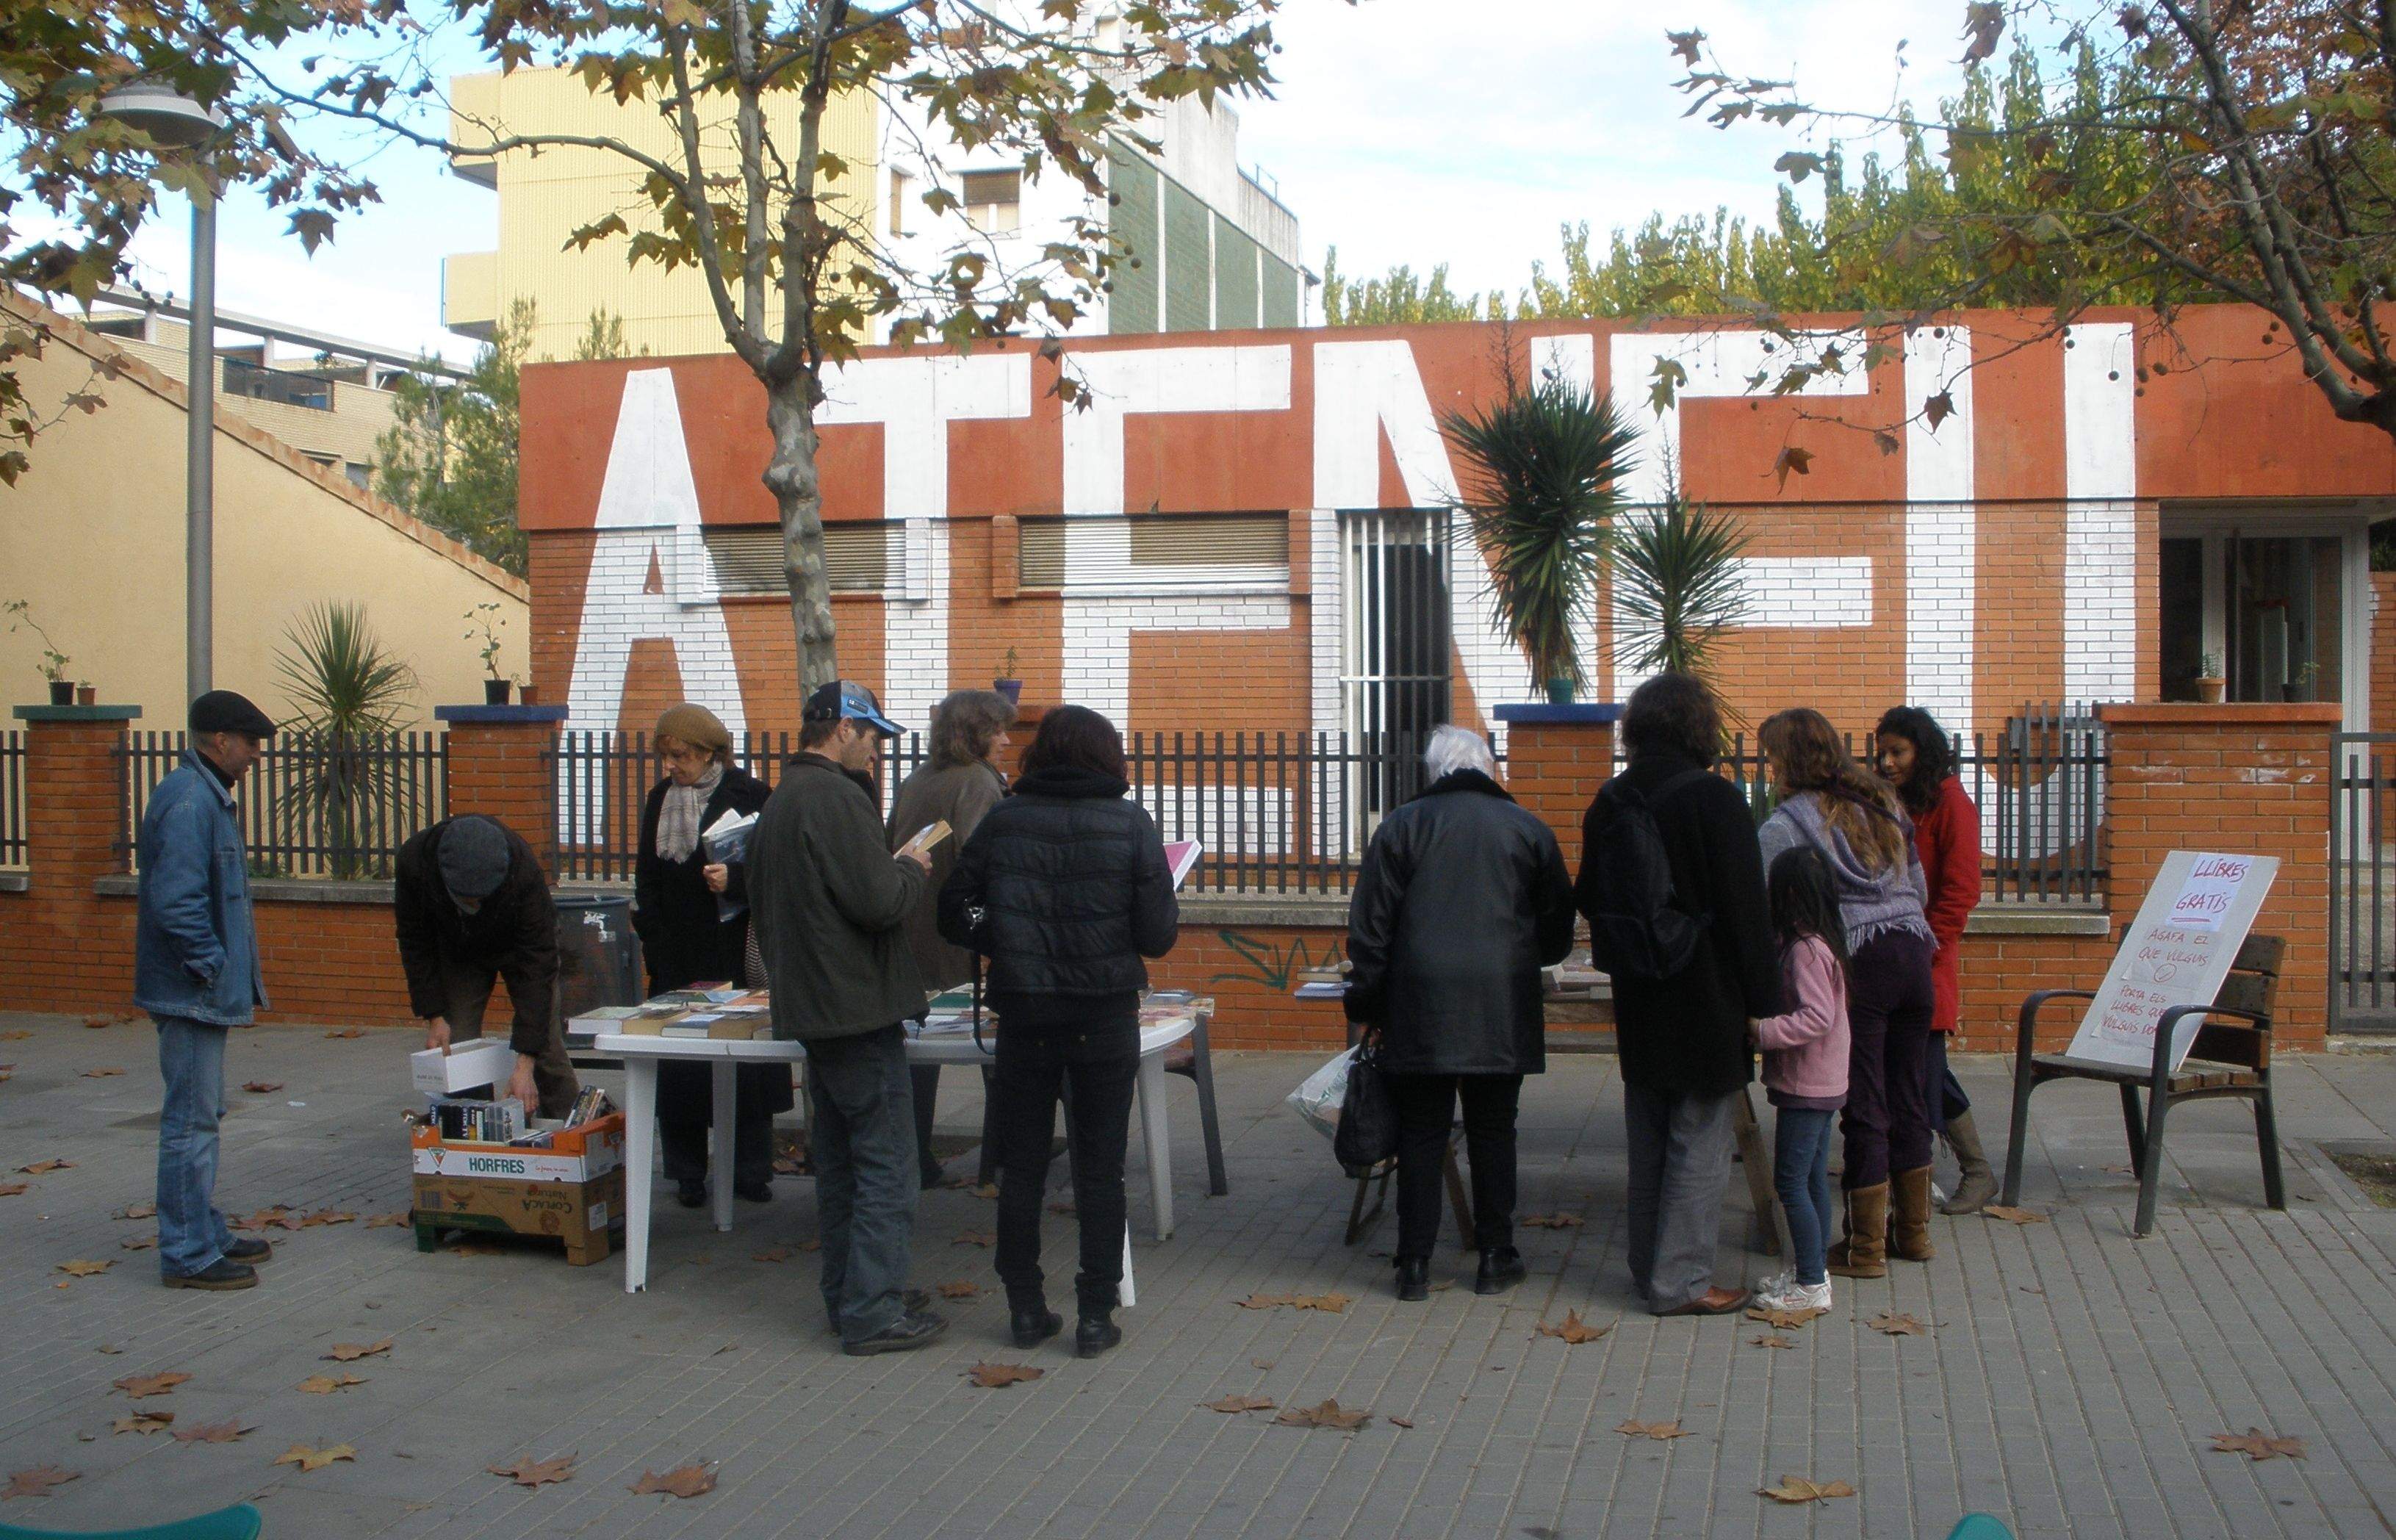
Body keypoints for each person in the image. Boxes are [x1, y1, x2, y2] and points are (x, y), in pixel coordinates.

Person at [939, 705, 1178, 1358]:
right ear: (1107, 756)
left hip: (1024, 1011)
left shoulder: (1006, 817)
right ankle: (1096, 1314)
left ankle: (1024, 1307)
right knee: (1100, 1169)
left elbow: (954, 909)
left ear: (1040, 752)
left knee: (1021, 1168)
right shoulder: (1129, 823)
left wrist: (1003, 933)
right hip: (1102, 1013)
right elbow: (1157, 936)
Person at [1345, 725, 1574, 1303]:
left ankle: (1414, 1265)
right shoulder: (1527, 828)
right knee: (1495, 1130)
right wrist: (1528, 958)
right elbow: (1556, 928)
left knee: (1422, 1133)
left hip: (1418, 1006)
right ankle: (1496, 1256)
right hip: (1501, 1004)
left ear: (1433, 770)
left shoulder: (1400, 826)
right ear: (1489, 766)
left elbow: (1369, 929)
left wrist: (1368, 1004)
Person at [749, 680, 943, 1356]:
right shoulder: (836, 796)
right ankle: (872, 1309)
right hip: (855, 1007)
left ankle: (851, 1296)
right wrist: (912, 867)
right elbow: (878, 901)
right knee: (887, 1163)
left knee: (841, 1164)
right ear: (841, 731)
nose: (877, 754)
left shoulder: (783, 797)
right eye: (872, 738)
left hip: (813, 1006)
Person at [1575, 673, 1777, 1317]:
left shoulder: (1609, 799)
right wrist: (1762, 1002)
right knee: (1699, 1139)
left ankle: (1648, 1271)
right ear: (1699, 727)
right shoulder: (1714, 799)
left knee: (1650, 1138)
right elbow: (1748, 909)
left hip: (1638, 988)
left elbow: (1589, 896)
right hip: (1705, 986)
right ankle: (1682, 1283)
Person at [1756, 708, 1936, 1278]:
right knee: (1908, 1096)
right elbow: (1921, 886)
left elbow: (1771, 905)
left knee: (1864, 1103)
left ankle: (1864, 1251)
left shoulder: (1784, 825)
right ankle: (1913, 1234)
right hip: (1913, 951)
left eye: (1769, 757)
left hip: (1859, 961)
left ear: (1784, 760)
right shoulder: (1883, 802)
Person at [135, 690, 281, 1291]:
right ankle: (188, 1252)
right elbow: (177, 902)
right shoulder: (193, 801)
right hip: (189, 991)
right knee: (191, 1124)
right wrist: (211, 968)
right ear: (220, 740)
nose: (254, 756)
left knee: (202, 1116)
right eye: (250, 744)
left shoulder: (202, 796)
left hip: (195, 988)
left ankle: (203, 1228)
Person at [633, 703, 787, 1209]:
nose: (671, 766)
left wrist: (736, 880)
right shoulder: (660, 799)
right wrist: (654, 940)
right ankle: (687, 1174)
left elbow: (777, 865)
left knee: (743, 1059)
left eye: (680, 755)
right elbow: (647, 877)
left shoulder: (748, 795)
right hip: (677, 956)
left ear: (707, 751)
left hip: (732, 950)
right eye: (666, 756)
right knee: (680, 1066)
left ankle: (749, 1170)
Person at [889, 689, 1016, 1187]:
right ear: (978, 734)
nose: (1007, 740)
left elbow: (889, 844)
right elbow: (984, 861)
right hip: (958, 935)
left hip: (907, 926)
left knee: (917, 1052)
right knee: (990, 1050)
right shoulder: (978, 783)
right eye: (999, 730)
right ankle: (998, 1163)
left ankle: (915, 1158)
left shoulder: (918, 777)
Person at [1876, 705, 1995, 1215]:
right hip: (1895, 954)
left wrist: (1929, 946)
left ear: (1922, 752)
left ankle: (1969, 1172)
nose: (1884, 762)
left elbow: (1961, 889)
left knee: (1923, 1068)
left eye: (1896, 752)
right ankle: (1938, 1173)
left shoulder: (1950, 803)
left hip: (1926, 957)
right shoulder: (1899, 801)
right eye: (1881, 752)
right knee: (1914, 1067)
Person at [395, 813, 580, 1118]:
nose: (477, 905)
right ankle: (474, 1126)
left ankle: (570, 1128)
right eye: (469, 899)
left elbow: (538, 968)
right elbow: (415, 941)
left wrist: (524, 1064)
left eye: (484, 897)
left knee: (544, 1043)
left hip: (520, 948)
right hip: (458, 950)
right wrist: (435, 1015)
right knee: (457, 1041)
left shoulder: (522, 871)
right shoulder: (415, 863)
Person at [1750, 846, 1852, 1314]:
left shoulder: (1806, 951)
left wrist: (1763, 1031)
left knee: (1790, 1182)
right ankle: (1814, 1270)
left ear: (1787, 894)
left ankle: (1811, 1283)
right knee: (1810, 1180)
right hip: (1823, 1082)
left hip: (1807, 1086)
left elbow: (1817, 1016)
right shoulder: (1820, 943)